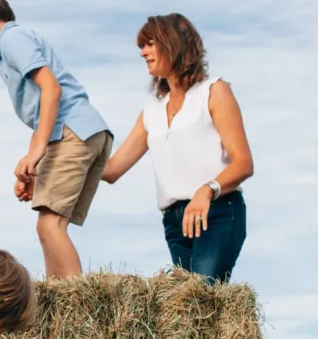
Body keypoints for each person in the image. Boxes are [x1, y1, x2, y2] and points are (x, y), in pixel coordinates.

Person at [0, 0, 112, 279]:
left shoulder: (12, 38)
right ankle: (55, 297)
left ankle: (79, 305)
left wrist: (37, 152)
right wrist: (35, 168)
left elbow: (51, 88)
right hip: (88, 131)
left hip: (71, 129)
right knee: (50, 226)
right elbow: (40, 111)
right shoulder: (16, 41)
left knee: (49, 226)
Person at [101, 14, 254, 282]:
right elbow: (112, 169)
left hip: (216, 212)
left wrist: (206, 191)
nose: (143, 52)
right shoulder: (152, 111)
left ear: (173, 44)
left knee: (200, 300)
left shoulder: (214, 92)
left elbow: (243, 163)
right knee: (186, 313)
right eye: (141, 46)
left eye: (149, 44)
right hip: (174, 223)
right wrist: (52, 167)